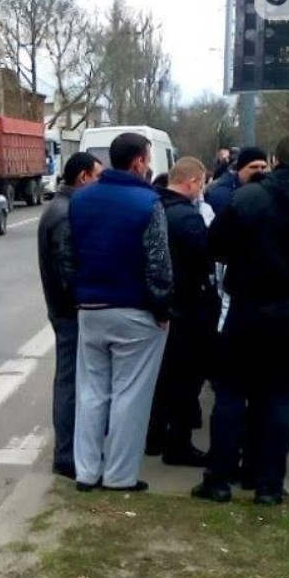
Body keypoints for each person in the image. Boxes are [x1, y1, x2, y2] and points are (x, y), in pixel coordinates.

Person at [193, 133, 289, 506]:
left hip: (248, 307)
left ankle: (218, 479)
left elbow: (214, 245)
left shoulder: (248, 198)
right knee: (281, 398)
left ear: (275, 160)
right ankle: (268, 485)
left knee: (231, 394)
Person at [69, 132, 173, 493]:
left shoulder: (81, 200)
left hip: (90, 308)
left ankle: (85, 471)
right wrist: (162, 308)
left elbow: (70, 257)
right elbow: (158, 265)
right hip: (135, 311)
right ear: (141, 161)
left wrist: (78, 297)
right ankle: (119, 475)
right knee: (130, 395)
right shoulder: (148, 202)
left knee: (92, 391)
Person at [148, 158, 219, 467]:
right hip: (189, 307)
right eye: (201, 184)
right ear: (192, 183)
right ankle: (179, 444)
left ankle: (153, 437)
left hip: (159, 306)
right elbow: (205, 260)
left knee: (160, 379)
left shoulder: (153, 208)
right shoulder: (188, 218)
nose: (201, 190)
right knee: (186, 380)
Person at [37, 151, 102, 480]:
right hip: (69, 314)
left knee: (72, 379)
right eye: (98, 176)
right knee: (70, 381)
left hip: (64, 310)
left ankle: (70, 450)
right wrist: (84, 303)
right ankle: (66, 455)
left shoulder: (60, 207)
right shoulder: (65, 212)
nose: (100, 183)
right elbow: (66, 271)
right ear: (84, 178)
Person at [205, 147, 269, 216]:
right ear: (240, 169)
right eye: (254, 167)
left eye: (263, 167)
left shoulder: (269, 191)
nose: (260, 171)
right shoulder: (222, 195)